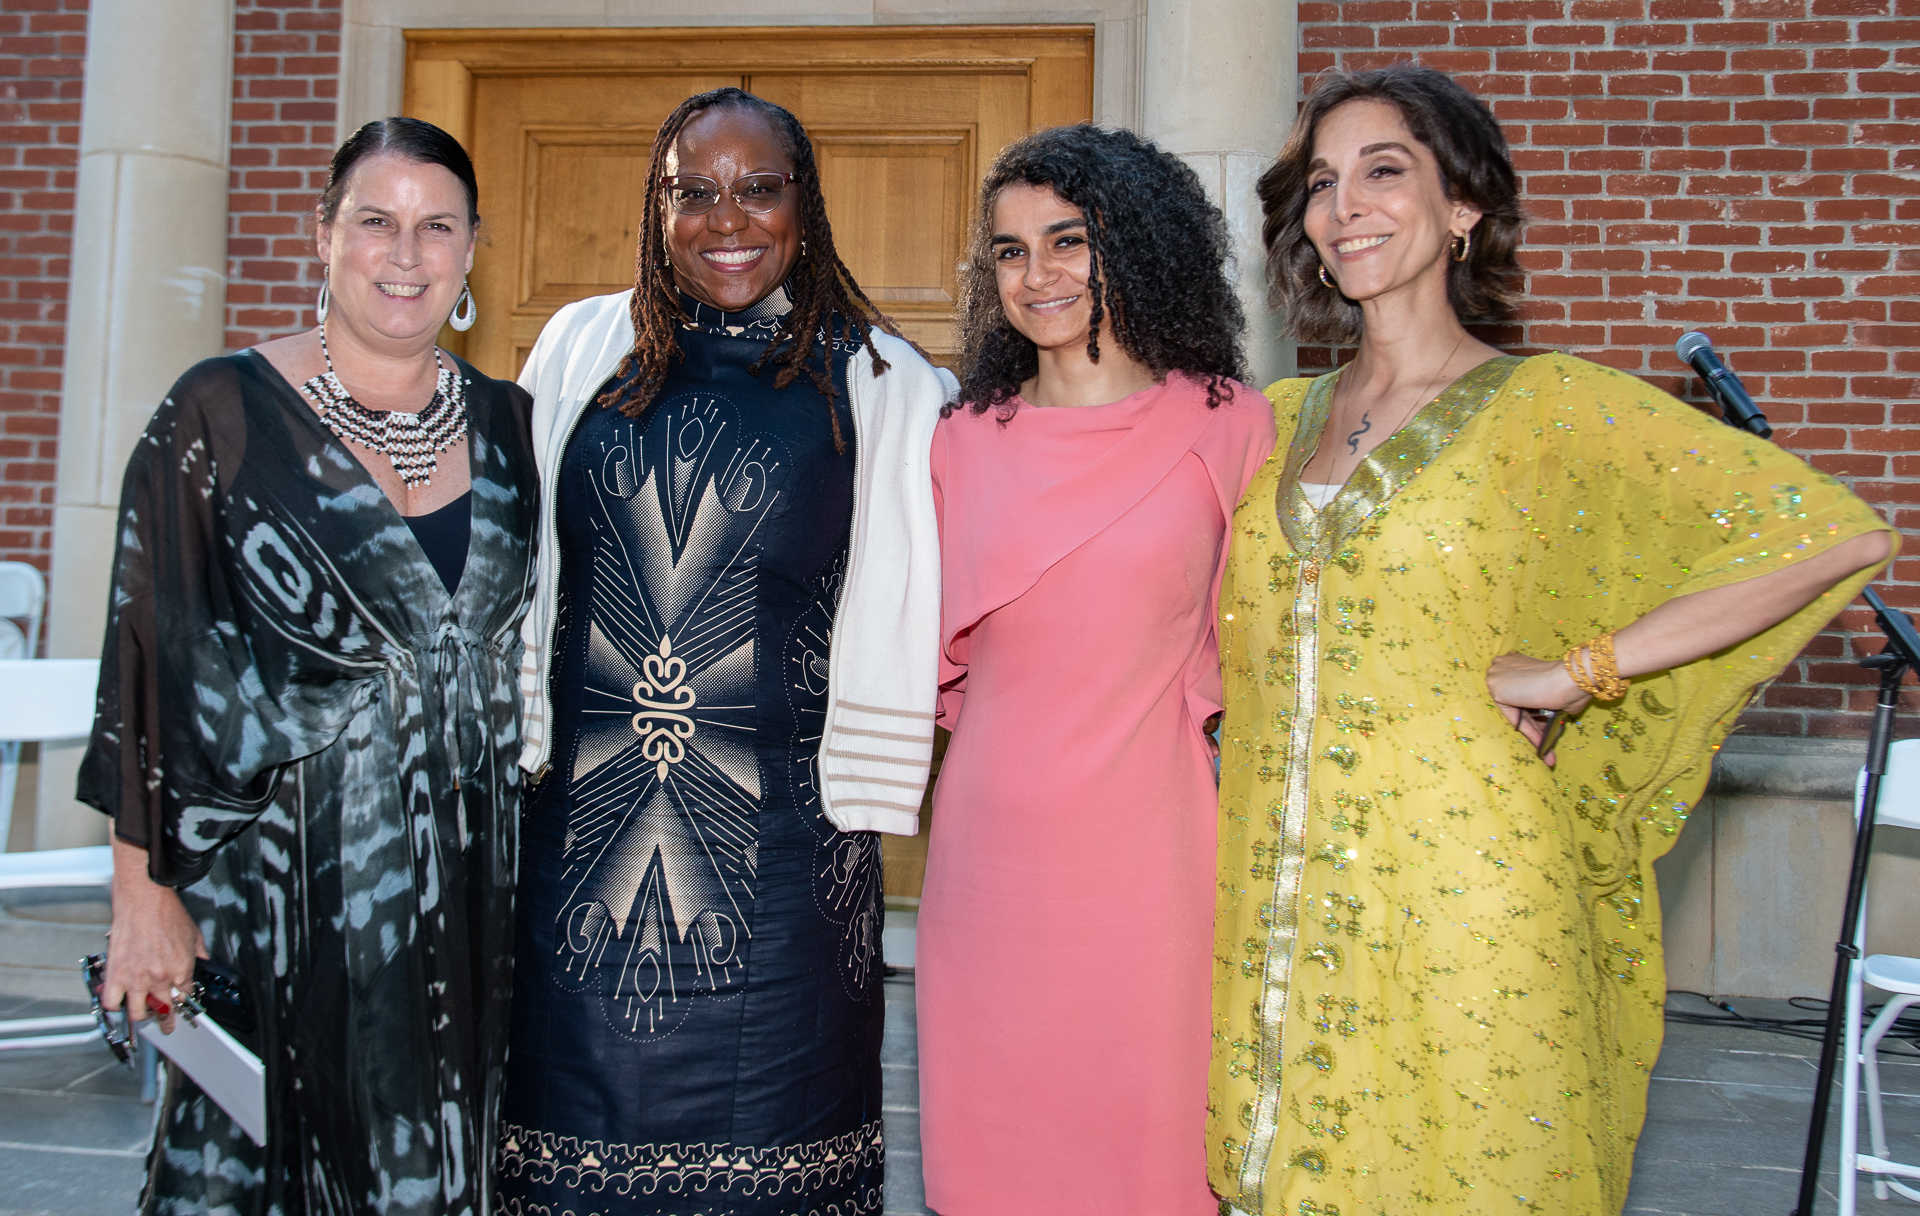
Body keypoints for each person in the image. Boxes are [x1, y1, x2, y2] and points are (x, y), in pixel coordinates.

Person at [1207, 64, 1895, 1216]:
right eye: (1322, 182)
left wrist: (1581, 672)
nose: (1346, 205)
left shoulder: (1551, 407)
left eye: (1386, 170)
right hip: (1275, 896)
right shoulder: (1271, 423)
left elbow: (1828, 536)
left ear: (1460, 207)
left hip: (1468, 895)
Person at [498, 87, 952, 1216]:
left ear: (805, 203)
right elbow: (506, 556)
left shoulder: (883, 384)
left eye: (758, 188)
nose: (725, 218)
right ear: (655, 209)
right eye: (691, 192)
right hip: (575, 857)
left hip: (791, 863)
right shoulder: (577, 350)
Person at [82, 117, 535, 1214]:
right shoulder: (219, 414)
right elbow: (148, 661)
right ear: (321, 235)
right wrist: (142, 901)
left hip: (470, 892)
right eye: (374, 221)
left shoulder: (514, 422)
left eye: (437, 227)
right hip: (273, 884)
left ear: (471, 250)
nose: (405, 253)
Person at [917, 125, 1276, 1216]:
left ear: (1136, 244)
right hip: (986, 857)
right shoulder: (959, 440)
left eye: (1066, 241)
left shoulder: (1231, 426)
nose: (1037, 275)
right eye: (1011, 252)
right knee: (995, 1157)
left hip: (1149, 859)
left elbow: (1276, 640)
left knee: (1145, 1154)